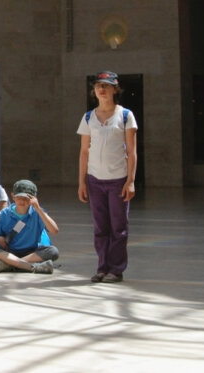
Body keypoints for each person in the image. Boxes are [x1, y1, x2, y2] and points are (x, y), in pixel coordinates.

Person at [77, 70, 138, 284]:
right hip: (95, 180)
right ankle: (102, 267)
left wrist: (130, 181)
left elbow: (132, 151)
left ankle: (116, 269)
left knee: (118, 227)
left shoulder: (125, 115)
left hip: (118, 179)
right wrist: (81, 182)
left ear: (115, 89)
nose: (101, 89)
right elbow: (84, 151)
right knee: (100, 227)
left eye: (106, 85)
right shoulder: (88, 117)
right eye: (98, 86)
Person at [0, 180, 59, 274]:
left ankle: (10, 265)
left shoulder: (38, 213)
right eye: (19, 197)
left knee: (53, 251)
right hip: (10, 252)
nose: (22, 201)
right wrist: (0, 239)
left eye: (26, 198)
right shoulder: (4, 214)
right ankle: (32, 267)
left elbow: (54, 230)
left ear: (34, 199)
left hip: (32, 252)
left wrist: (38, 209)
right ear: (13, 196)